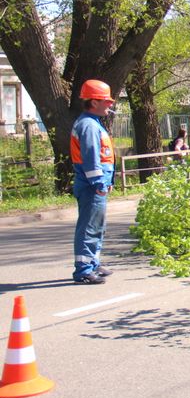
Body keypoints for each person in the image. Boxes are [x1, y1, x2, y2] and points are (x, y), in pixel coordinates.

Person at [70, 79, 117, 284]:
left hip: (96, 185)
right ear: (94, 102)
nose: (110, 104)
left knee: (97, 226)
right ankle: (83, 270)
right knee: (89, 227)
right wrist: (99, 183)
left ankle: (92, 263)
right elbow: (91, 158)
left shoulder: (92, 123)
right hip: (91, 186)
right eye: (106, 101)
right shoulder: (88, 125)